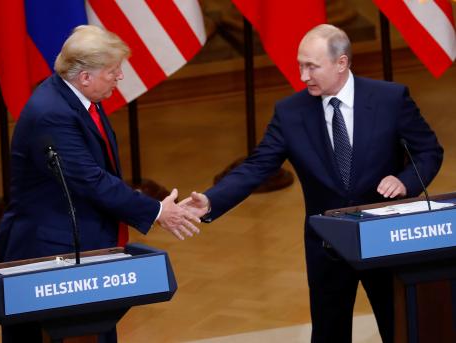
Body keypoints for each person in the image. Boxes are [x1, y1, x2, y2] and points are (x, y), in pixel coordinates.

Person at [180, 24, 443, 343]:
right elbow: (257, 166)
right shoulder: (290, 113)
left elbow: (428, 150)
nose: (303, 75)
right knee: (329, 334)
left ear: (341, 63)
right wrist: (210, 201)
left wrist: (404, 182)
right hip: (327, 246)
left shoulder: (389, 98)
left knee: (400, 327)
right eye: (300, 65)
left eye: (312, 66)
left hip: (385, 238)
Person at [0, 25, 200, 343]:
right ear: (85, 76)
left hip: (85, 248)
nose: (120, 77)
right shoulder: (52, 113)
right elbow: (91, 180)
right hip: (51, 257)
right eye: (113, 71)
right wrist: (157, 211)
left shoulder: (77, 98)